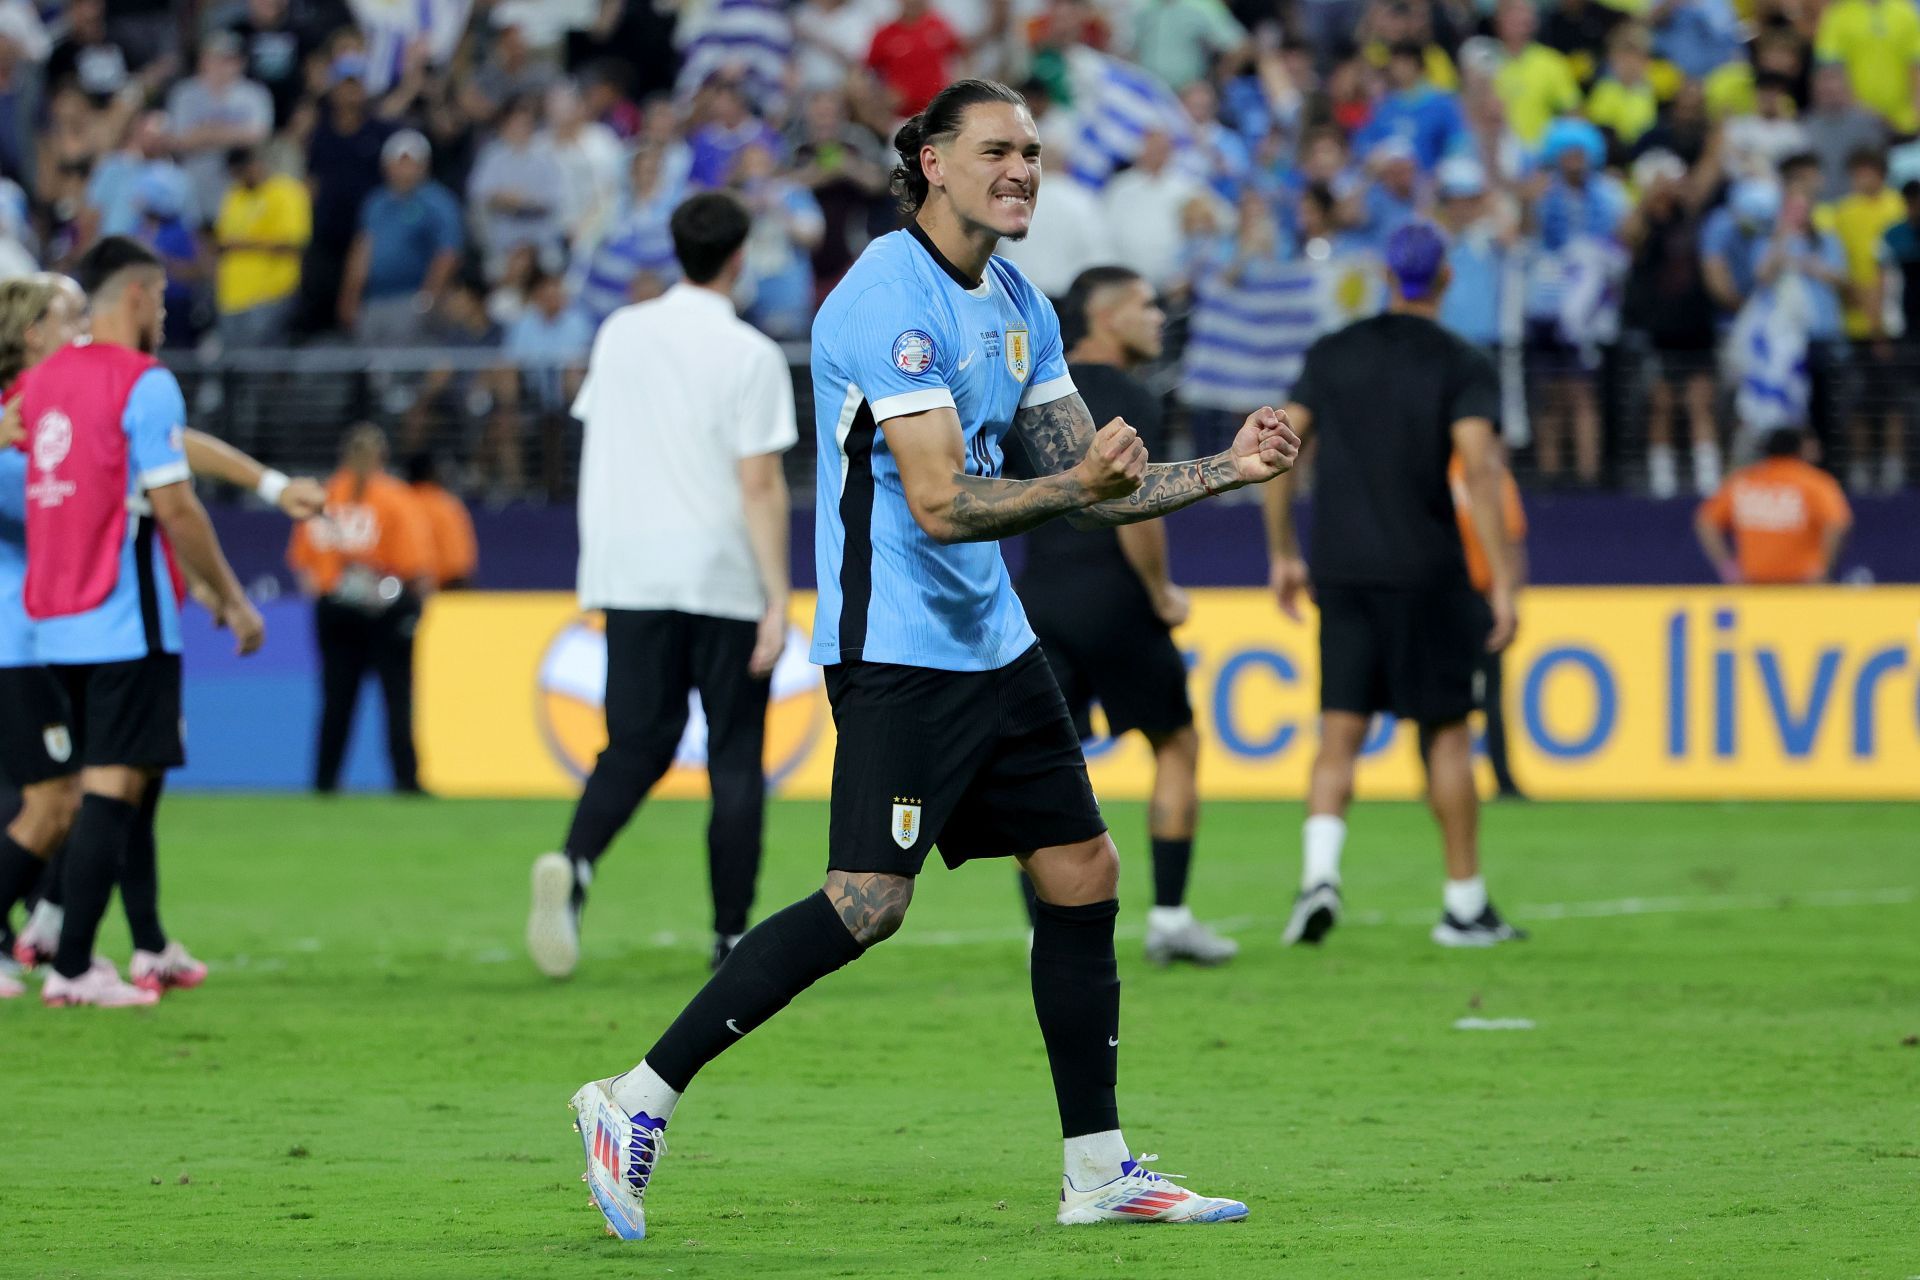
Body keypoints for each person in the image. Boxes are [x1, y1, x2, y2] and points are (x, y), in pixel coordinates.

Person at [565, 79, 1299, 1242]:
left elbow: (1090, 489)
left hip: (994, 644)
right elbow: (945, 502)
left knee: (1084, 871)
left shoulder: (1020, 299)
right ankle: (630, 1099)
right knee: (867, 902)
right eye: (999, 150)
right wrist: (1076, 487)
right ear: (933, 163)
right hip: (896, 649)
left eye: (1034, 153)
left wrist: (1225, 469)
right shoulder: (884, 302)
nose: (1024, 170)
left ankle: (1098, 1169)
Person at [0, 272, 324, 991]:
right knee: (69, 796)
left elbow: (166, 456)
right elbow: (163, 496)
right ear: (32, 332)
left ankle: (100, 937)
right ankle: (62, 939)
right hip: (48, 632)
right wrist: (222, 592)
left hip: (64, 626)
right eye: (69, 317)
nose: (84, 329)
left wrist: (260, 496)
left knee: (110, 787)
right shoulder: (34, 410)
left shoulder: (72, 401)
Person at [525, 191, 797, 981]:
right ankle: (730, 938)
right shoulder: (750, 353)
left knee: (637, 743)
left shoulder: (619, 333)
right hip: (721, 572)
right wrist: (778, 596)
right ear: (739, 259)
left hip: (631, 570)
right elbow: (759, 484)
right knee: (736, 758)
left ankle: (575, 864)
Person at [1265, 220, 1525, 948]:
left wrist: (1284, 551)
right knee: (1444, 737)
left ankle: (1319, 877)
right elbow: (1479, 468)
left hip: (1342, 570)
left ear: (1386, 277)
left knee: (1339, 733)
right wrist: (1501, 583)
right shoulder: (1461, 362)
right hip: (1428, 574)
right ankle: (1465, 904)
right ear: (1444, 278)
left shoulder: (1333, 352)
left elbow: (1280, 449)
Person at [1007, 265, 1236, 967]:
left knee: (1041, 766)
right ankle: (1169, 918)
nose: (1158, 317)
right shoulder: (1130, 393)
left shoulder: (1029, 391)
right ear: (1105, 317)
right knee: (1175, 743)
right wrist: (1162, 591)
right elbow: (1135, 505)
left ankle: (1042, 927)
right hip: (1117, 599)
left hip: (1041, 594)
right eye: (1144, 306)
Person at [287, 425, 435, 795]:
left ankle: (325, 782)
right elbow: (416, 568)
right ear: (383, 456)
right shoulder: (395, 498)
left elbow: (304, 567)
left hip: (334, 610)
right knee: (397, 700)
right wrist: (417, 607)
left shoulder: (323, 496)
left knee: (337, 702)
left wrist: (329, 599)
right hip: (386, 611)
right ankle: (406, 782)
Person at [1448, 448, 1527, 799]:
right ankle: (1502, 780)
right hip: (1471, 594)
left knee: (1446, 693)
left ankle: (1438, 779)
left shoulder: (1437, 465)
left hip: (1464, 595)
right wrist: (1509, 595)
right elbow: (1512, 543)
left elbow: (1512, 540)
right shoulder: (1492, 472)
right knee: (1488, 694)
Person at [1695, 428, 1853, 584]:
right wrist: (1822, 568)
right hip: (1801, 587)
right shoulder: (1815, 483)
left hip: (1753, 586)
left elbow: (1706, 521)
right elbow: (1837, 522)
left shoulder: (1743, 481)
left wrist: (1728, 568)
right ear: (1800, 448)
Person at [214, 144, 310, 348]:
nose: (238, 178)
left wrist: (244, 243)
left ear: (255, 165)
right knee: (236, 366)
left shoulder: (285, 191)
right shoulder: (235, 195)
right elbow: (223, 241)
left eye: (241, 172)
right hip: (232, 296)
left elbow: (293, 242)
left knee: (261, 364)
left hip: (270, 292)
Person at [404, 453, 478, 590]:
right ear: (431, 473)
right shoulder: (446, 505)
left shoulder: (398, 502)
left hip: (407, 591)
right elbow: (457, 566)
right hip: (447, 590)